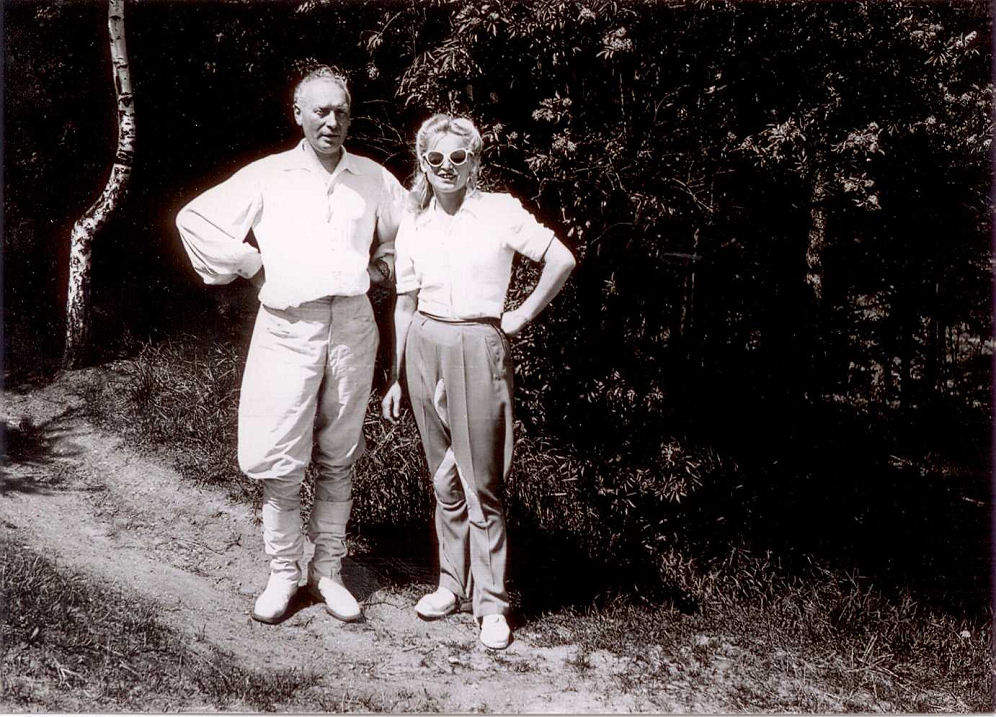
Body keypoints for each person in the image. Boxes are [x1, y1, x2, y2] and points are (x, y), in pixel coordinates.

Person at [176, 66, 406, 625]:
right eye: (320, 111)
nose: (332, 121)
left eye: (341, 111)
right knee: (281, 458)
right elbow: (195, 219)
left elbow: (413, 233)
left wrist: (381, 268)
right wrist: (252, 265)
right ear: (298, 113)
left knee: (339, 453)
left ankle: (328, 572)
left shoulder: (372, 177)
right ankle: (283, 574)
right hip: (286, 325)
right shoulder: (269, 175)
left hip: (351, 325)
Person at [381, 114, 576, 649]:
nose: (446, 167)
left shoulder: (499, 212)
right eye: (435, 158)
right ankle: (451, 585)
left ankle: (491, 603)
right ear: (423, 163)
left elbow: (561, 259)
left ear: (474, 162)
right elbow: (404, 303)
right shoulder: (415, 222)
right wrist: (396, 376)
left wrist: (520, 316)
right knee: (443, 480)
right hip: (424, 342)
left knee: (481, 482)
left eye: (457, 157)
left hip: (478, 344)